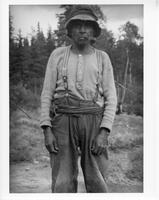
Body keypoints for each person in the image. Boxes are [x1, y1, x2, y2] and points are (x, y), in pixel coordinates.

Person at [40, 5, 117, 193]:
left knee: (97, 180)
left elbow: (111, 98)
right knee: (62, 181)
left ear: (94, 31)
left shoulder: (102, 58)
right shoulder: (57, 55)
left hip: (94, 123)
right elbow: (47, 94)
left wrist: (104, 132)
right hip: (63, 121)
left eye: (88, 25)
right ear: (70, 30)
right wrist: (47, 130)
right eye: (77, 25)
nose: (83, 30)